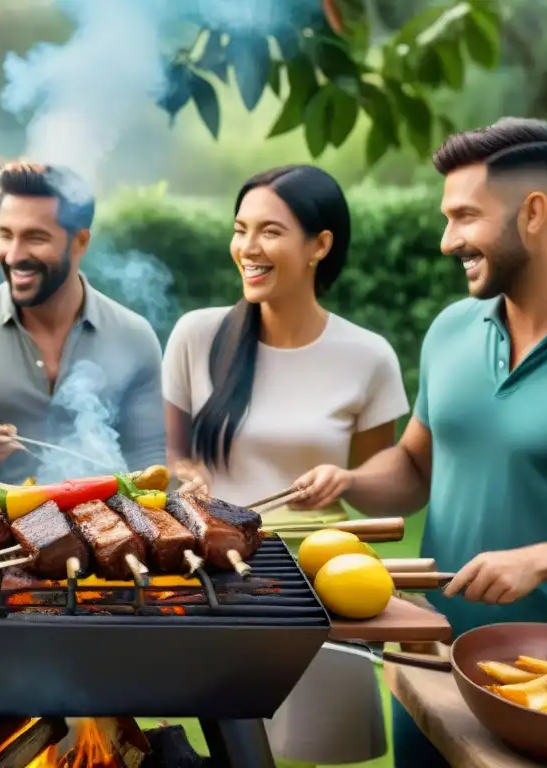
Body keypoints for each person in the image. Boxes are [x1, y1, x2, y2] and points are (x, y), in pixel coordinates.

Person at [294, 118, 547, 767]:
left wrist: (539, 560)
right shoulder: (453, 328)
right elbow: (415, 465)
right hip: (431, 663)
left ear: (533, 212)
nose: (447, 239)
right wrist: (352, 481)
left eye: (464, 216)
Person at [162, 165, 409, 765]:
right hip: (219, 585)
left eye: (270, 231)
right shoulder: (197, 335)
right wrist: (188, 478)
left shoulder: (368, 356)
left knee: (310, 750)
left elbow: (385, 486)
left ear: (320, 245)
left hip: (321, 582)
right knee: (223, 748)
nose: (248, 248)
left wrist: (346, 480)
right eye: (241, 229)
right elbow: (176, 457)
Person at [0, 162, 165, 490]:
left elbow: (150, 460)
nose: (14, 255)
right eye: (5, 235)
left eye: (35, 238)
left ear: (80, 242)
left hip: (107, 537)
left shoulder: (134, 337)